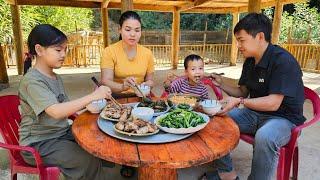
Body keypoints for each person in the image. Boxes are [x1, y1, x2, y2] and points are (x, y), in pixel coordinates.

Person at [203, 13, 305, 180]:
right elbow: (242, 92)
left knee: (265, 137)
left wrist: (240, 101)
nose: (238, 45)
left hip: (284, 119)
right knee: (214, 118)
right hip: (254, 113)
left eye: (241, 40)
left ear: (259, 36)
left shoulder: (282, 60)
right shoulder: (250, 61)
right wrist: (220, 83)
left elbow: (273, 104)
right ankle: (228, 173)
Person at [19, 24, 112, 180]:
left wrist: (94, 96)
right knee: (85, 159)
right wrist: (91, 97)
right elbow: (56, 111)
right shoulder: (32, 81)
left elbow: (66, 107)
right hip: (39, 142)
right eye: (58, 50)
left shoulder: (55, 77)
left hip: (59, 134)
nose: (63, 54)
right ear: (39, 50)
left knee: (96, 143)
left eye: (65, 49)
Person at [100, 11, 155, 98]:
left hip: (141, 95)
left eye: (137, 30)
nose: (133, 34)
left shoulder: (147, 53)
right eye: (128, 29)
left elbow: (150, 80)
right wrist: (122, 86)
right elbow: (105, 81)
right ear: (120, 29)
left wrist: (147, 84)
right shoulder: (109, 51)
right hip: (115, 96)